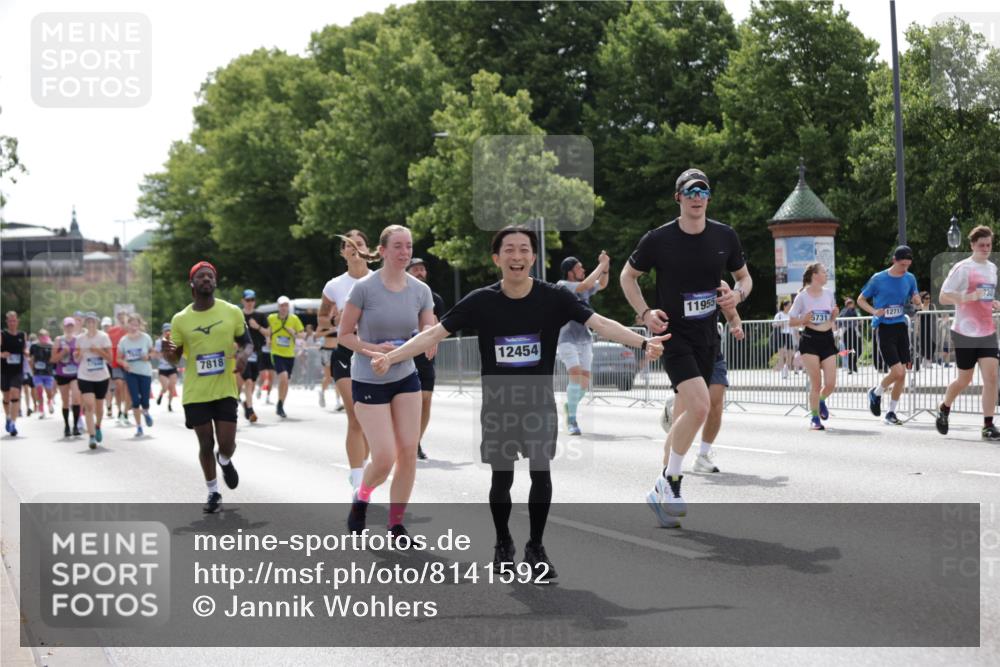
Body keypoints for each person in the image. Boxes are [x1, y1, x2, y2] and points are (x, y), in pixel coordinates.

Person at [365, 225, 668, 578]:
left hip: (538, 399)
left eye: (524, 249)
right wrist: (392, 357)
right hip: (499, 401)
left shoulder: (554, 297)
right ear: (497, 259)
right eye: (508, 250)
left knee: (541, 473)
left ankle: (536, 547)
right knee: (502, 478)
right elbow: (434, 333)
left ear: (533, 257)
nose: (517, 256)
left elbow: (599, 323)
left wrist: (643, 342)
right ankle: (503, 542)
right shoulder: (481, 300)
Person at [620, 168, 751, 528]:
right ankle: (672, 481)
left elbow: (744, 277)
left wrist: (737, 296)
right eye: (690, 191)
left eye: (703, 191)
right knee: (700, 406)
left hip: (708, 337)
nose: (697, 197)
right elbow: (627, 276)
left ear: (709, 198)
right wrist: (645, 313)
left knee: (686, 417)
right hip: (673, 336)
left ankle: (661, 492)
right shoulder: (658, 239)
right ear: (678, 197)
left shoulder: (724, 235)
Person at [338, 225, 436, 543]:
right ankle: (362, 497)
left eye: (409, 246)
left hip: (405, 376)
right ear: (382, 251)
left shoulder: (420, 290)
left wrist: (428, 338)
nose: (404, 252)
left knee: (408, 451)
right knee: (384, 457)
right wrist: (373, 350)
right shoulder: (364, 289)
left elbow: (429, 328)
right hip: (370, 379)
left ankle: (396, 525)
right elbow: (344, 335)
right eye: (397, 246)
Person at [161, 261, 252, 513]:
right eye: (201, 276)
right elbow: (174, 358)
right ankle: (213, 492)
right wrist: (167, 351)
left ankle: (225, 460)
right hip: (196, 392)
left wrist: (243, 355)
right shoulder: (181, 319)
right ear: (192, 283)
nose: (206, 279)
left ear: (215, 282)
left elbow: (247, 342)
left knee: (227, 444)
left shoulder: (231, 312)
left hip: (225, 388)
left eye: (210, 276)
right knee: (205, 443)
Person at [318, 230, 375, 491]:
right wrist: (335, 320)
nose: (354, 248)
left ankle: (360, 467)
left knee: (370, 417)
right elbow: (321, 321)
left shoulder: (380, 280)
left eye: (358, 243)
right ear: (343, 253)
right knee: (355, 414)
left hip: (372, 353)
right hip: (344, 353)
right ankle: (358, 482)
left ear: (367, 249)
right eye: (348, 245)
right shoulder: (334, 286)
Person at [935, 225, 1000, 441]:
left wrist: (992, 302)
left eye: (989, 245)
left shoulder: (992, 268)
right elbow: (943, 296)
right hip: (964, 332)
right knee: (964, 380)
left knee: (991, 377)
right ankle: (945, 407)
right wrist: (969, 297)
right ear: (972, 245)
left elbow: (985, 295)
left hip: (987, 331)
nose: (986, 249)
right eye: (981, 245)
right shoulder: (962, 268)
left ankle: (988, 425)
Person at [858, 246, 921, 425]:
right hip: (884, 328)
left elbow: (914, 295)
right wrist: (874, 311)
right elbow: (861, 299)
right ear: (894, 260)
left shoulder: (910, 278)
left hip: (901, 326)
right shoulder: (878, 279)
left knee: (902, 375)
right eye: (902, 265)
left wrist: (917, 301)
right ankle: (876, 392)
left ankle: (891, 412)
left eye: (907, 265)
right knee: (897, 371)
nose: (905, 269)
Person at [556, 252, 610, 436]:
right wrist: (601, 265)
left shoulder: (584, 287)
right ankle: (572, 420)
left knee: (584, 384)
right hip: (566, 339)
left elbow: (602, 284)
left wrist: (606, 268)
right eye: (579, 268)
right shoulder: (563, 285)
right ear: (570, 271)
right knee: (576, 374)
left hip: (585, 339)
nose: (583, 270)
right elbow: (585, 285)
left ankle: (569, 406)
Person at [788, 263, 839, 431]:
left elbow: (831, 319)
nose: (826, 275)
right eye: (824, 272)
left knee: (830, 384)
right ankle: (815, 418)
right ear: (815, 275)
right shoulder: (802, 296)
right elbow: (791, 321)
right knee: (816, 383)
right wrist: (804, 319)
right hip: (810, 340)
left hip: (827, 339)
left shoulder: (829, 293)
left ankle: (821, 400)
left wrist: (834, 316)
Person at [406, 257, 447, 459]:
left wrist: (435, 335)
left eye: (422, 269)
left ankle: (415, 443)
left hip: (425, 356)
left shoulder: (435, 299)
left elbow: (443, 326)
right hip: (402, 354)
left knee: (425, 399)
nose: (420, 272)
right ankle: (402, 440)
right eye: (415, 269)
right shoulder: (398, 296)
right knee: (405, 402)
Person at [256, 296, 303, 419]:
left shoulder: (294, 319)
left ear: (288, 307)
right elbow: (267, 331)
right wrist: (267, 338)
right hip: (276, 353)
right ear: (278, 307)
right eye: (282, 305)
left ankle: (280, 404)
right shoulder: (271, 318)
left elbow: (302, 335)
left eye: (286, 305)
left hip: (290, 354)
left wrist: (294, 333)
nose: (284, 308)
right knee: (283, 377)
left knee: (286, 381)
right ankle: (280, 404)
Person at [74, 312, 113, 448]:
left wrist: (98, 350)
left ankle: (98, 426)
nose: (91, 324)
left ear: (97, 322)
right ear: (85, 323)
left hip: (101, 376)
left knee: (99, 408)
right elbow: (76, 359)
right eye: (88, 321)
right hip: (85, 376)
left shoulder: (104, 337)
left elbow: (110, 358)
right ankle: (91, 436)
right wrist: (79, 354)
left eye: (93, 321)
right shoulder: (80, 338)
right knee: (89, 405)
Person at [118, 313, 155, 437]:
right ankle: (139, 427)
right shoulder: (123, 341)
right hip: (131, 373)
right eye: (131, 324)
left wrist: (148, 356)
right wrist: (124, 363)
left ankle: (146, 412)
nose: (134, 327)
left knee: (145, 400)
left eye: (136, 325)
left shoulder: (146, 338)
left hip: (145, 372)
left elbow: (153, 353)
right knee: (135, 400)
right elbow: (118, 358)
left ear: (139, 325)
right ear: (127, 325)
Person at [52, 317, 82, 437]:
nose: (69, 328)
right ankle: (66, 426)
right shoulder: (58, 340)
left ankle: (75, 426)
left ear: (74, 327)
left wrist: (77, 354)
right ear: (63, 327)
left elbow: (82, 356)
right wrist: (63, 352)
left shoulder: (78, 340)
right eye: (67, 326)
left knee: (76, 398)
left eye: (71, 326)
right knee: (65, 401)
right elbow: (53, 359)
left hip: (75, 374)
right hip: (62, 374)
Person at [2, 311, 28, 437]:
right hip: (4, 370)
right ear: (7, 322)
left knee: (15, 392)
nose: (12, 323)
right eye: (10, 321)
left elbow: (24, 349)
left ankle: (13, 423)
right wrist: (2, 354)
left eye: (14, 320)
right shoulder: (2, 335)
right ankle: (8, 417)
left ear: (17, 321)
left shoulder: (22, 335)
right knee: (6, 396)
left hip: (17, 370)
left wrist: (27, 353)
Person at [239, 290, 263, 423]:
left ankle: (246, 403)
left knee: (252, 383)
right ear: (242, 301)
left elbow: (268, 332)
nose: (250, 302)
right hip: (242, 353)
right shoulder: (238, 315)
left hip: (256, 353)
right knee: (247, 381)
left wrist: (257, 327)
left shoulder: (260, 315)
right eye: (247, 300)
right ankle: (250, 410)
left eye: (252, 300)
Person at [105, 313, 131, 424]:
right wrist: (109, 359)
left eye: (124, 317)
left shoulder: (132, 330)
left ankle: (125, 412)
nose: (122, 319)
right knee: (119, 385)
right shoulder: (112, 331)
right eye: (120, 317)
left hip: (130, 362)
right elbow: (107, 345)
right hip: (116, 362)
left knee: (128, 388)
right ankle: (119, 409)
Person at [29, 329, 56, 418]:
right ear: (38, 337)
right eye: (41, 336)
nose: (43, 338)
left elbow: (54, 358)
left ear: (48, 336)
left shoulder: (51, 346)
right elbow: (31, 358)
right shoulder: (34, 346)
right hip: (37, 373)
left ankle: (50, 402)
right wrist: (32, 369)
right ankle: (41, 410)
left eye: (44, 336)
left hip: (48, 373)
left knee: (49, 393)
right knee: (39, 391)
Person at [152, 324, 179, 412]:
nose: (168, 332)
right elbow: (155, 354)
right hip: (163, 368)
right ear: (163, 332)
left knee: (172, 387)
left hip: (172, 367)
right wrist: (161, 354)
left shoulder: (174, 341)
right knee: (165, 387)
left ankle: (169, 404)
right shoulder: (158, 342)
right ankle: (161, 395)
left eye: (169, 331)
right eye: (166, 331)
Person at [772, 299, 795, 379]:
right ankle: (782, 371)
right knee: (781, 353)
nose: (790, 307)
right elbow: (773, 324)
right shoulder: (779, 315)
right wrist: (779, 324)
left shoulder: (791, 314)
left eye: (791, 305)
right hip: (781, 334)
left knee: (790, 353)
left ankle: (786, 368)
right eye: (789, 305)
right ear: (784, 306)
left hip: (789, 334)